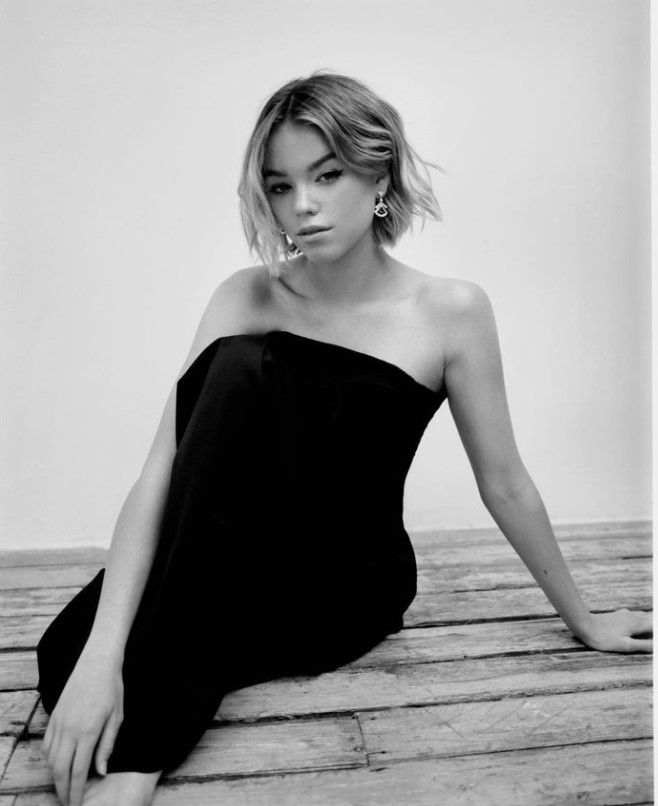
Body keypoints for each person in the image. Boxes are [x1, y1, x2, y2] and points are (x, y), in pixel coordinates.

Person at [36, 71, 652, 806]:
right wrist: (103, 653)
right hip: (227, 553)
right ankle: (132, 687)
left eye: (326, 175)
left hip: (345, 581)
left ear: (378, 173)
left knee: (160, 631)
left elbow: (505, 483)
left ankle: (139, 756)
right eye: (280, 186)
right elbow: (160, 475)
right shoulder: (246, 294)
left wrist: (583, 618)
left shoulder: (448, 312)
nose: (302, 204)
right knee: (71, 645)